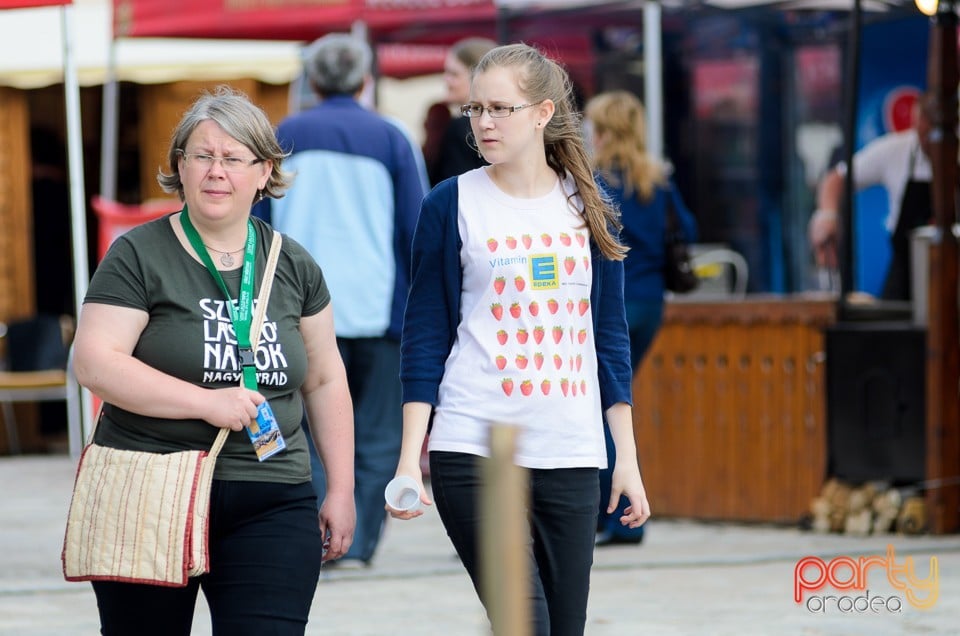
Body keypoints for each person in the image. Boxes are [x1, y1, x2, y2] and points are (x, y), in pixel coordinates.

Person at [71, 85, 356, 635]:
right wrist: (205, 402)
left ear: (264, 171)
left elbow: (324, 379)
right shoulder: (137, 254)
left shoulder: (294, 264)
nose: (215, 171)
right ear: (180, 165)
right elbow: (95, 363)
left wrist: (341, 489)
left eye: (232, 158)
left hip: (273, 495)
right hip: (150, 489)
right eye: (201, 155)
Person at [388, 43, 652, 636]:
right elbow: (425, 334)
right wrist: (410, 455)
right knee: (521, 623)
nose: (483, 122)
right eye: (476, 109)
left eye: (500, 109)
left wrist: (626, 462)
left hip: (571, 449)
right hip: (475, 445)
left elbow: (609, 339)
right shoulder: (450, 203)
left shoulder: (590, 208)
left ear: (541, 113)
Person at [254, 33, 425, 567]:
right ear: (365, 80)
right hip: (376, 310)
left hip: (295, 311)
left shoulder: (285, 134)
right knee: (375, 433)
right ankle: (360, 543)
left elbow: (260, 224)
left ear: (313, 78)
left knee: (303, 431)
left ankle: (317, 539)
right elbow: (415, 231)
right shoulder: (392, 137)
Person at [584, 90, 697, 547]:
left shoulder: (595, 181)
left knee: (603, 407)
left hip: (612, 303)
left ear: (606, 131)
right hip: (652, 302)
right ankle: (604, 509)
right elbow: (686, 230)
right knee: (611, 403)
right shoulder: (657, 180)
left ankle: (621, 517)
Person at [808, 93, 932, 300]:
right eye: (924, 131)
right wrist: (827, 217)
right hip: (908, 273)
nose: (929, 140)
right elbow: (835, 180)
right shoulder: (898, 149)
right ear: (916, 122)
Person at [426, 36, 498, 186]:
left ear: (477, 77)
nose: (445, 80)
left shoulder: (460, 127)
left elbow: (453, 187)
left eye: (454, 74)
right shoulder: (501, 122)